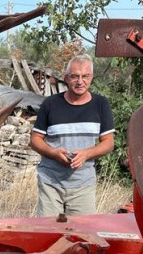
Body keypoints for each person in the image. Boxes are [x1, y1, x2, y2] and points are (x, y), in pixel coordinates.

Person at [29, 54, 115, 217]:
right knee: (49, 234)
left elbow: (108, 142)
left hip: (83, 185)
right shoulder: (50, 104)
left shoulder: (101, 104)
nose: (80, 81)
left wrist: (86, 154)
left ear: (91, 77)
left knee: (81, 237)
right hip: (50, 183)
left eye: (85, 76)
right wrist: (53, 154)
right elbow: (35, 140)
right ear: (66, 78)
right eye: (75, 76)